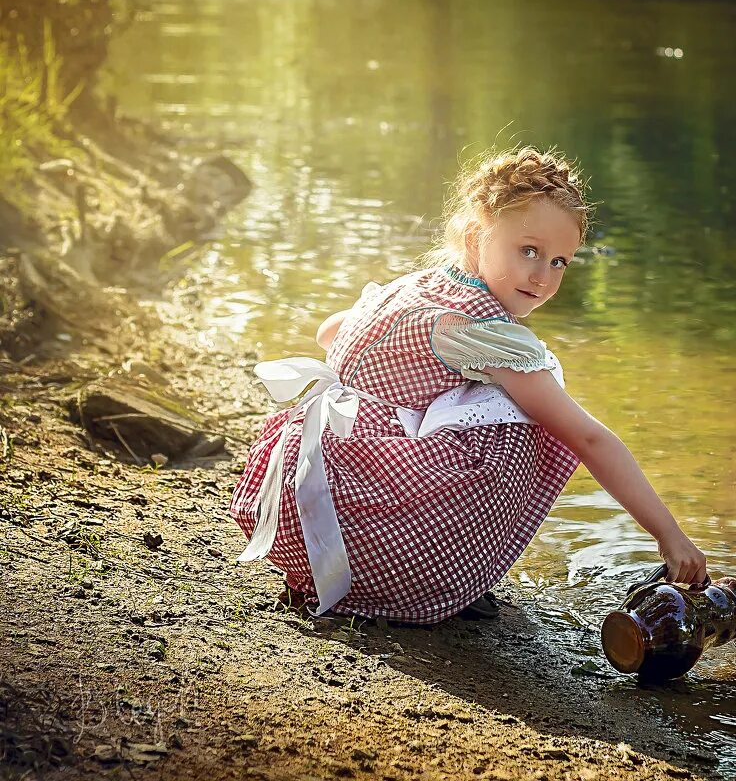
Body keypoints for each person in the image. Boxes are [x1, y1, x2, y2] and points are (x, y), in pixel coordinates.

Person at [227, 146, 706, 624]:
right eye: (529, 251)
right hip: (357, 521)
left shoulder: (422, 285)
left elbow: (328, 332)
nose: (542, 276)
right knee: (527, 423)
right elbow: (587, 437)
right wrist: (668, 534)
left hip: (299, 488)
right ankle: (444, 579)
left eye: (560, 261)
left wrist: (398, 391)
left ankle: (393, 562)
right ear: (477, 236)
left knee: (484, 396)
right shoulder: (476, 328)